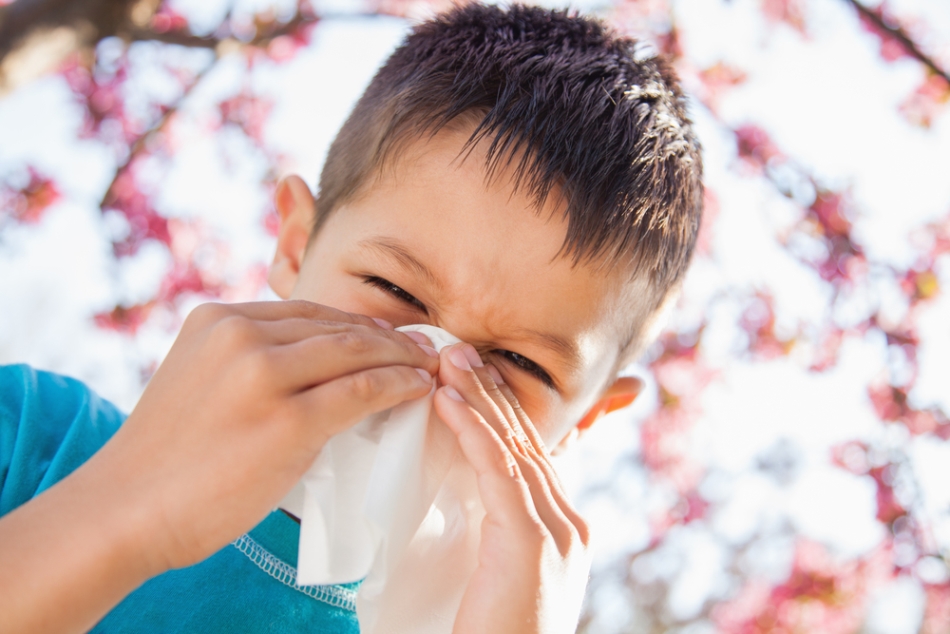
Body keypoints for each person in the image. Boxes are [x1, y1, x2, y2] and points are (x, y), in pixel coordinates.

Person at [0, 3, 702, 633]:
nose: (436, 366)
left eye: (518, 365)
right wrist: (129, 513)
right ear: (296, 243)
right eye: (394, 290)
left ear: (582, 419)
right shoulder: (32, 437)